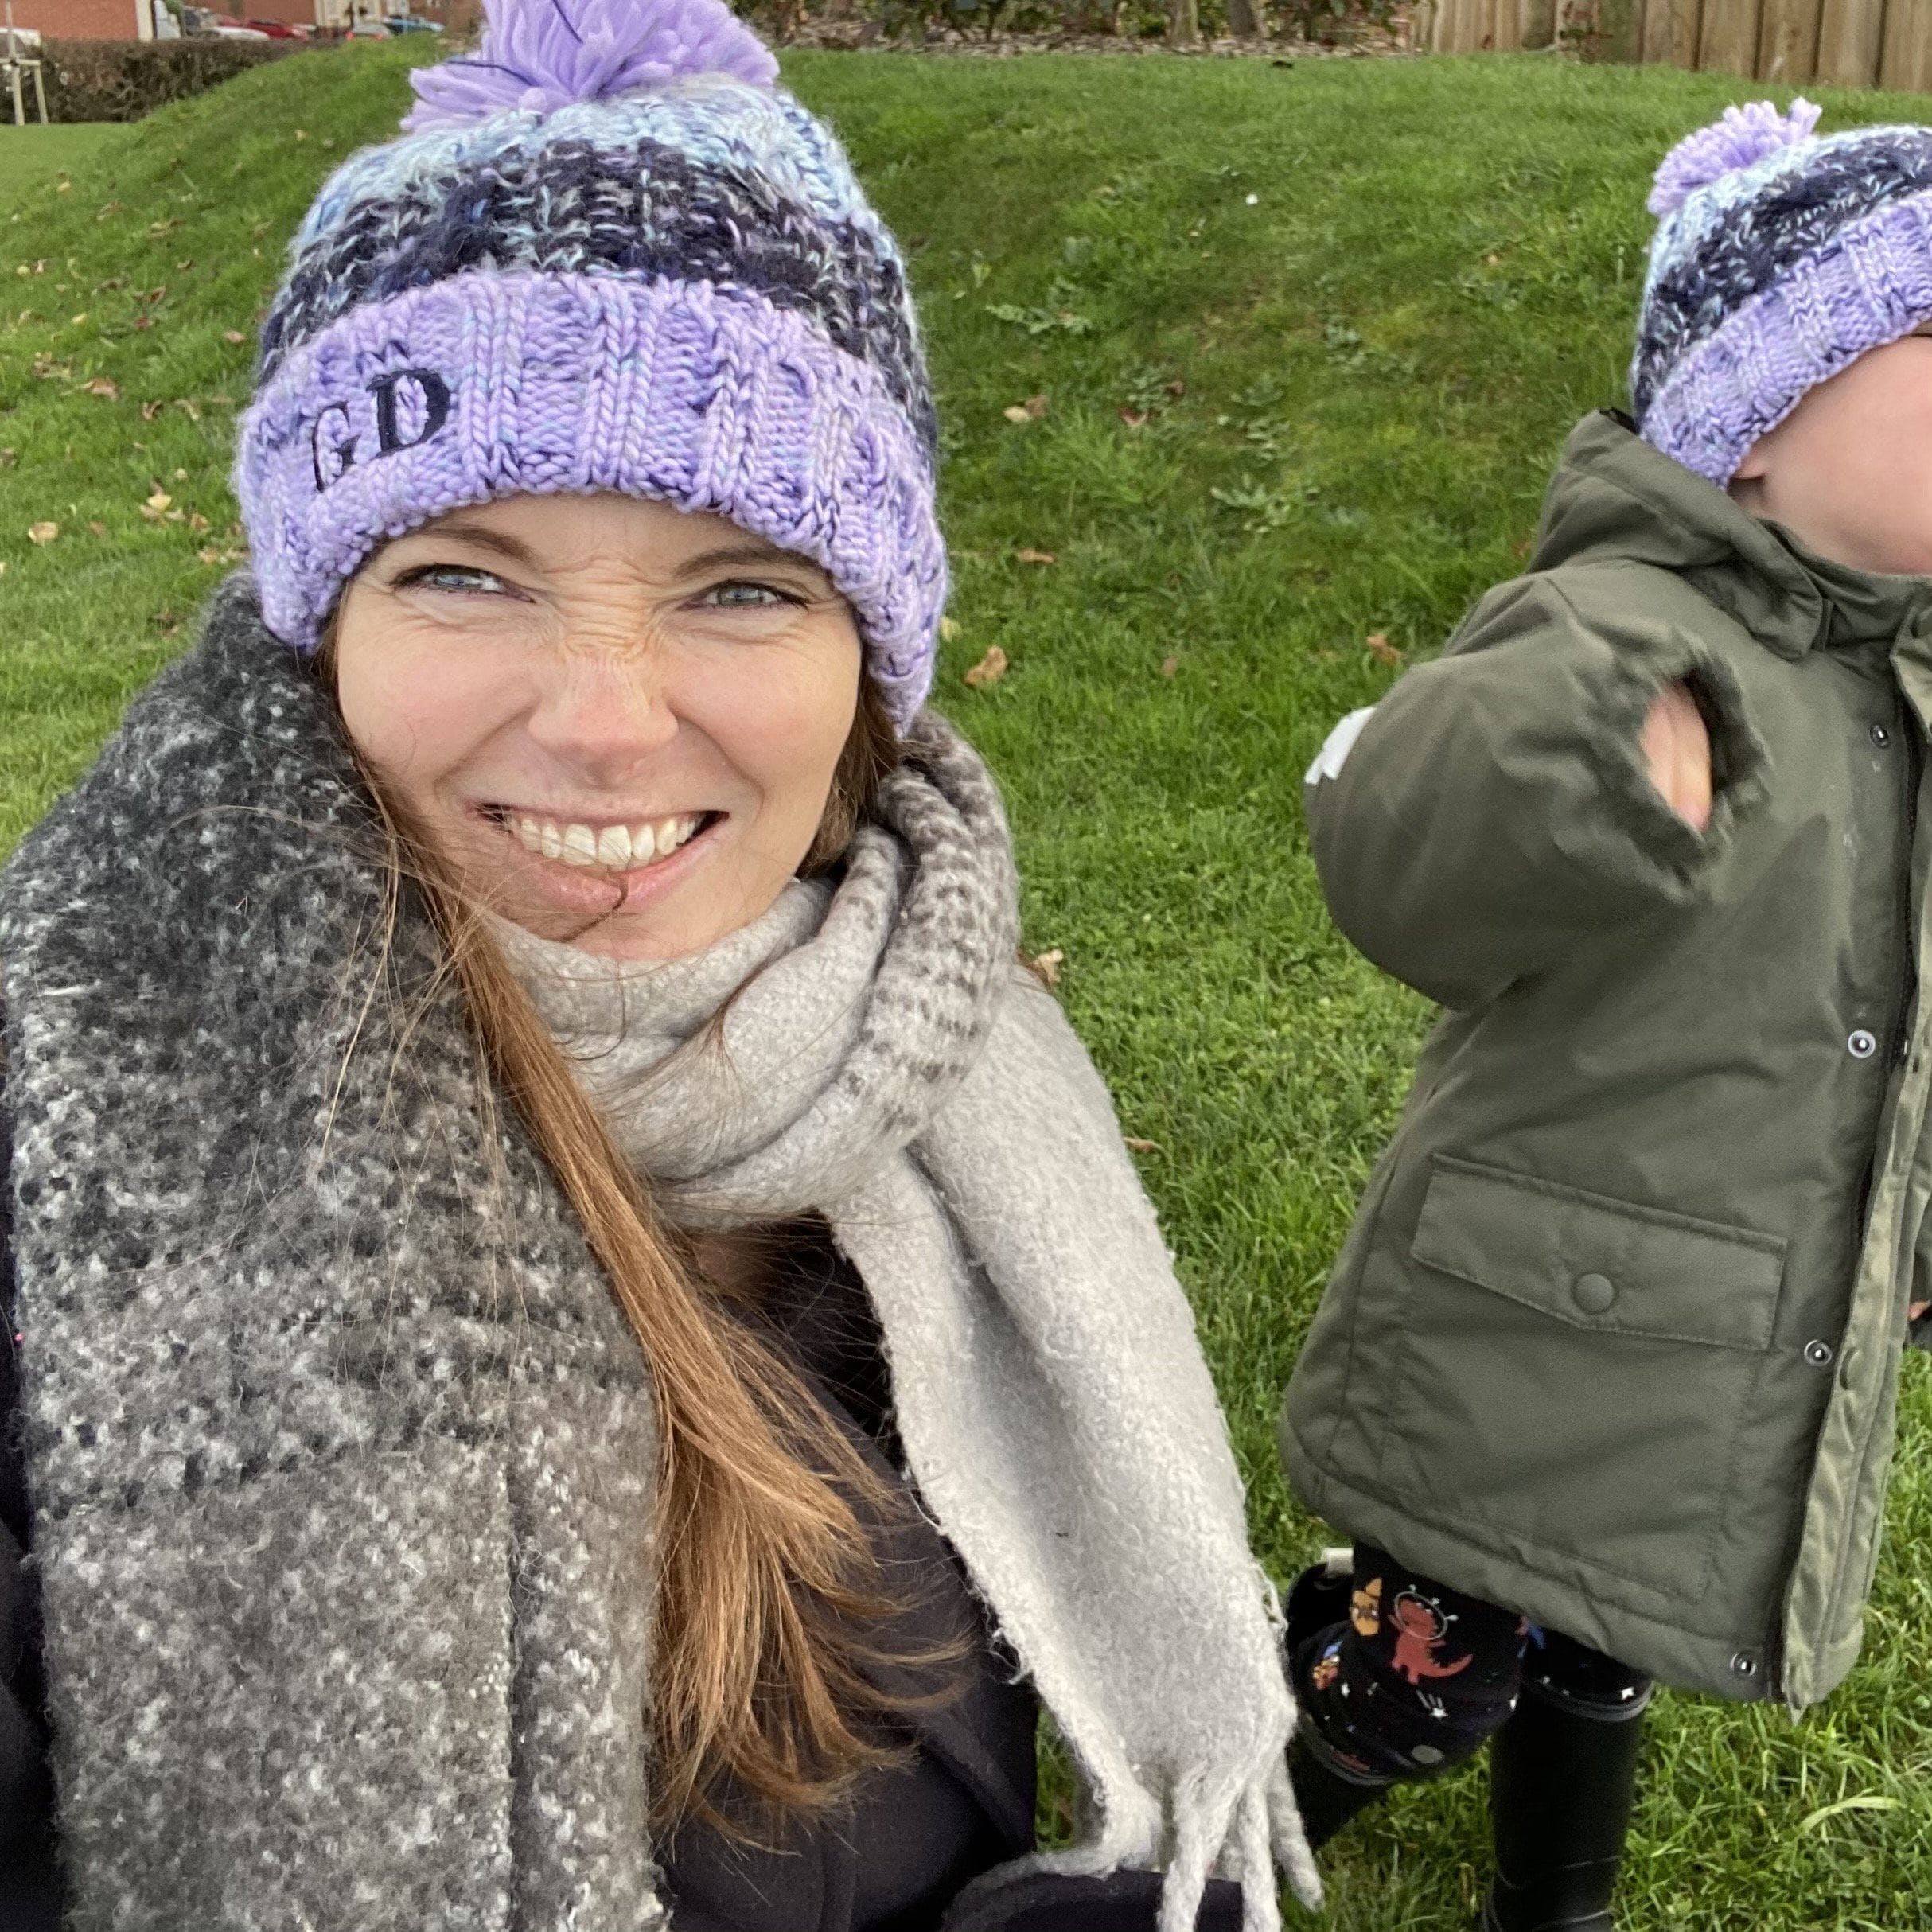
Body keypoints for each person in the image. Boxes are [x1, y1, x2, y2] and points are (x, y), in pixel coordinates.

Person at [0, 2, 1323, 1926]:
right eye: (463, 568)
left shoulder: (947, 1058)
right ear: (320, 624)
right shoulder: (71, 1150)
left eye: (740, 585)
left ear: (862, 655)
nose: (610, 724)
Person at [1280, 97, 1932, 1932]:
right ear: (1749, 425)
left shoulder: (1911, 686)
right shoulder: (1622, 630)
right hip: (1520, 1332)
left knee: (1604, 1640)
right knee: (1415, 1665)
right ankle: (1223, 1854)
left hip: (1726, 1339)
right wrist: (1584, 760)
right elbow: (1392, 846)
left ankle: (1547, 1901)